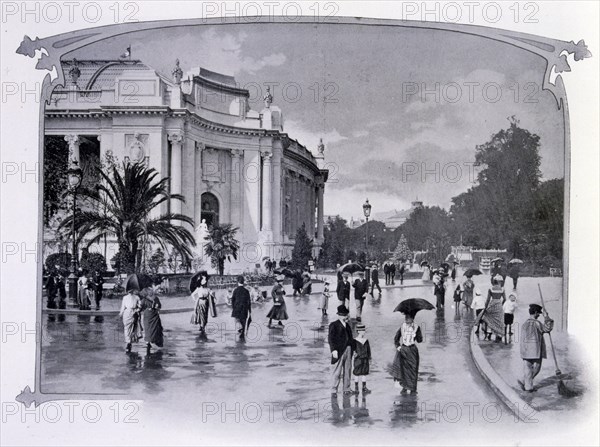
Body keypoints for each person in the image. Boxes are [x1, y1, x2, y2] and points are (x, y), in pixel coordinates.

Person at [520, 304, 554, 392]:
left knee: (527, 368)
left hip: (525, 350)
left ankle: (527, 385)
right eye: (538, 313)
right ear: (535, 313)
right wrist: (547, 317)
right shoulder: (537, 323)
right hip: (535, 351)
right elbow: (547, 329)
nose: (539, 315)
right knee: (536, 368)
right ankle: (528, 387)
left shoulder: (524, 324)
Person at [391, 311, 423, 394]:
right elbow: (396, 338)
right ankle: (405, 387)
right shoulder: (402, 327)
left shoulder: (416, 327)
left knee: (413, 369)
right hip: (404, 350)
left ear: (412, 319)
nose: (407, 320)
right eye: (406, 319)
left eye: (409, 319)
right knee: (404, 370)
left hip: (412, 350)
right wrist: (398, 346)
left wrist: (417, 334)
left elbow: (420, 340)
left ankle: (413, 388)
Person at [328, 305, 355, 397]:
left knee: (348, 370)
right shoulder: (333, 325)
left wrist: (353, 349)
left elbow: (351, 338)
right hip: (338, 350)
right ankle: (333, 390)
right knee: (337, 371)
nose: (345, 317)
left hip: (348, 349)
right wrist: (333, 350)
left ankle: (346, 389)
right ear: (339, 315)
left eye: (346, 315)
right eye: (343, 315)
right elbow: (331, 339)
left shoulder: (347, 325)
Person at [119, 284, 142, 353]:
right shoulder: (136, 297)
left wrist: (121, 314)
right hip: (131, 312)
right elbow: (140, 307)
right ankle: (129, 342)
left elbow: (123, 307)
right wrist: (137, 310)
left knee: (128, 328)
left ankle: (128, 342)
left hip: (129, 313)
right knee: (131, 327)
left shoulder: (127, 297)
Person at [140, 286, 164, 350]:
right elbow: (159, 306)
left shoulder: (144, 299)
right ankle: (155, 340)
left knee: (147, 328)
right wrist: (156, 307)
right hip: (154, 314)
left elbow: (141, 307)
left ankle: (148, 342)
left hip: (147, 314)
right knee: (155, 328)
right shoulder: (156, 298)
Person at [352, 323, 372, 395]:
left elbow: (368, 350)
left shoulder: (366, 340)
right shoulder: (354, 340)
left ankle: (364, 388)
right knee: (356, 373)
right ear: (358, 331)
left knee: (364, 373)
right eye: (362, 330)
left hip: (365, 359)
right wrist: (354, 353)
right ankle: (356, 388)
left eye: (364, 330)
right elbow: (353, 349)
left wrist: (369, 358)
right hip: (358, 359)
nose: (364, 332)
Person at [231, 275, 252, 340]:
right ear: (243, 282)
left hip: (237, 308)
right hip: (244, 309)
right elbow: (249, 301)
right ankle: (242, 334)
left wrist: (233, 307)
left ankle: (240, 330)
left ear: (238, 282)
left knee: (237, 320)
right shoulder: (246, 291)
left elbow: (232, 300)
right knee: (244, 322)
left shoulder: (235, 290)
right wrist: (250, 310)